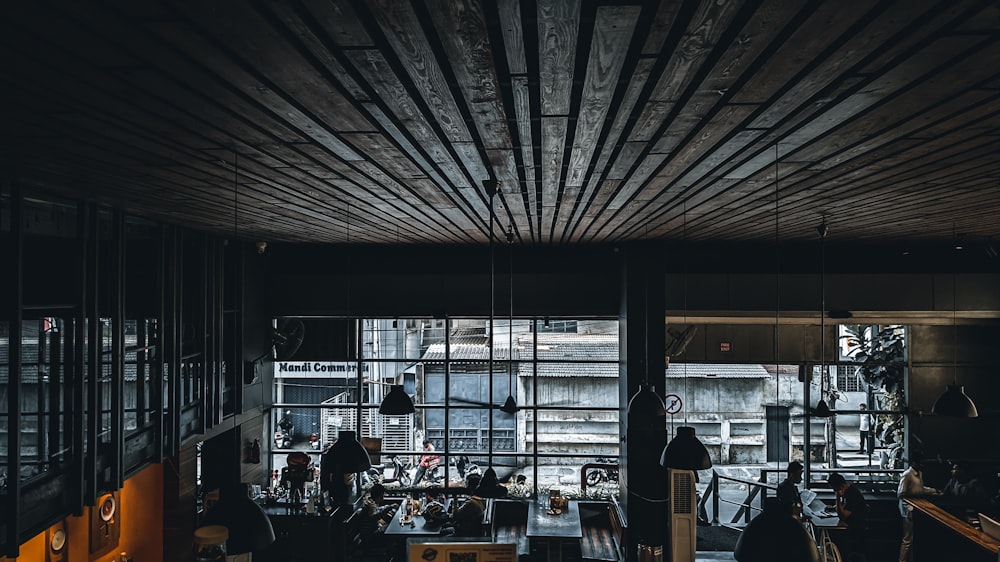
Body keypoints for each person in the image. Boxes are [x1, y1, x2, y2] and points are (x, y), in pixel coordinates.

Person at [897, 453, 940, 562]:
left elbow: (920, 489)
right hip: (907, 509)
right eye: (920, 463)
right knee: (907, 538)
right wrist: (912, 501)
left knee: (912, 538)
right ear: (914, 463)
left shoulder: (919, 473)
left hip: (915, 509)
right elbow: (901, 493)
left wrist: (933, 491)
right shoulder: (907, 475)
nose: (922, 465)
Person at [828, 472, 870, 562]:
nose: (834, 491)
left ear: (841, 486)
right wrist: (834, 507)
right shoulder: (849, 489)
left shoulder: (852, 495)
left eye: (835, 489)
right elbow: (844, 506)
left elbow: (842, 516)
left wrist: (838, 497)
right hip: (854, 526)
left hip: (856, 529)